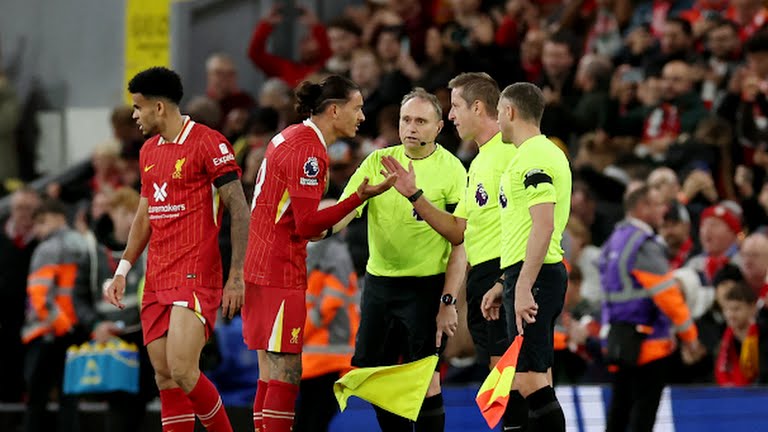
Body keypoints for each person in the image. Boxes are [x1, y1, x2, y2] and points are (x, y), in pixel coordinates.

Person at [242, 74, 396, 432]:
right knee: (285, 371)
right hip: (280, 268)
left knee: (269, 372)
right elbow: (310, 226)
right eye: (356, 108)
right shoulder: (309, 149)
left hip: (261, 262)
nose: (362, 116)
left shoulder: (289, 136)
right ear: (333, 110)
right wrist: (359, 197)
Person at [104, 66, 250, 432]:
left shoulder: (208, 142)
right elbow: (144, 215)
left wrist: (237, 276)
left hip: (197, 273)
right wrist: (122, 269)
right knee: (165, 376)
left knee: (185, 370)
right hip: (155, 277)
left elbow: (239, 209)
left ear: (158, 108)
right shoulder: (148, 151)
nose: (134, 116)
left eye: (137, 107)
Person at [381, 73, 522, 429]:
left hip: (505, 276)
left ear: (477, 107)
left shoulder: (509, 155)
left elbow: (531, 221)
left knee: (524, 385)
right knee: (504, 389)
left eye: (456, 107)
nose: (452, 116)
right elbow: (458, 231)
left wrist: (508, 279)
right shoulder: (477, 163)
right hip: (484, 279)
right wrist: (414, 195)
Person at [336, 87, 467, 432]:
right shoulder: (378, 161)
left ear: (438, 127)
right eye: (406, 119)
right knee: (372, 373)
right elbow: (343, 212)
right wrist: (308, 225)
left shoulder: (452, 170)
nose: (411, 127)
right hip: (379, 284)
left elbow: (460, 241)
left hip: (426, 286)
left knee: (425, 377)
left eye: (421, 121)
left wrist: (448, 301)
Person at [481, 82, 571, 432]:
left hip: (535, 277)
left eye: (499, 112)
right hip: (527, 274)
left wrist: (523, 287)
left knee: (529, 382)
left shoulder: (535, 157)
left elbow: (543, 225)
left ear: (510, 112)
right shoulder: (540, 153)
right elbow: (526, 229)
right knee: (531, 377)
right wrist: (505, 283)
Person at [598, 184, 704, 432]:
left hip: (619, 341)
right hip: (650, 344)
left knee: (618, 413)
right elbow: (669, 297)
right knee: (642, 418)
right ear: (642, 207)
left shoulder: (613, 241)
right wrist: (691, 338)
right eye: (658, 205)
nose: (663, 211)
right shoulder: (643, 244)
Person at [73, 187, 155, 432]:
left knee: (142, 403)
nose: (131, 218)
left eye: (135, 212)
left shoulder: (149, 251)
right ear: (113, 214)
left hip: (143, 338)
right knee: (119, 410)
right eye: (125, 212)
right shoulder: (92, 252)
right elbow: (79, 298)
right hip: (110, 343)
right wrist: (95, 324)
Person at [22, 199, 88, 432]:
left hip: (48, 332)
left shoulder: (48, 248)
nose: (38, 230)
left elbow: (39, 296)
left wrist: (58, 324)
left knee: (36, 399)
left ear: (58, 217)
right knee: (69, 398)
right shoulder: (83, 243)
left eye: (41, 222)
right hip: (74, 329)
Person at [294, 199, 360, 432]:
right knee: (313, 419)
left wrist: (299, 336)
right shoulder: (332, 253)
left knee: (309, 419)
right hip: (325, 354)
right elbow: (329, 303)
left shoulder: (319, 253)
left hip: (317, 353)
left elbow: (327, 304)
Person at [0, 187, 39, 402]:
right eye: (18, 208)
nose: (23, 213)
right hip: (5, 314)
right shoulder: (2, 235)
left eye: (28, 209)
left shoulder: (41, 240)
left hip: (33, 313)